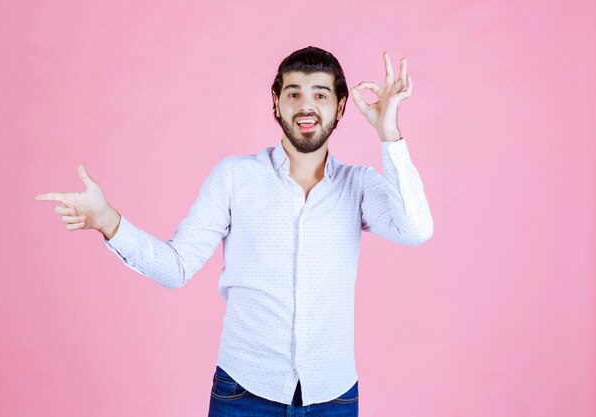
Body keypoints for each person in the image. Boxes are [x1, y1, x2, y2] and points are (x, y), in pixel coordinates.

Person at [35, 46, 433, 417]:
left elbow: (415, 229)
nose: (306, 105)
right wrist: (108, 220)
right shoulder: (234, 177)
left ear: (341, 106)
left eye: (320, 95)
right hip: (243, 393)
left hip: (334, 395)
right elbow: (176, 267)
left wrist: (388, 132)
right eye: (293, 94)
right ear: (275, 103)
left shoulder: (358, 185)